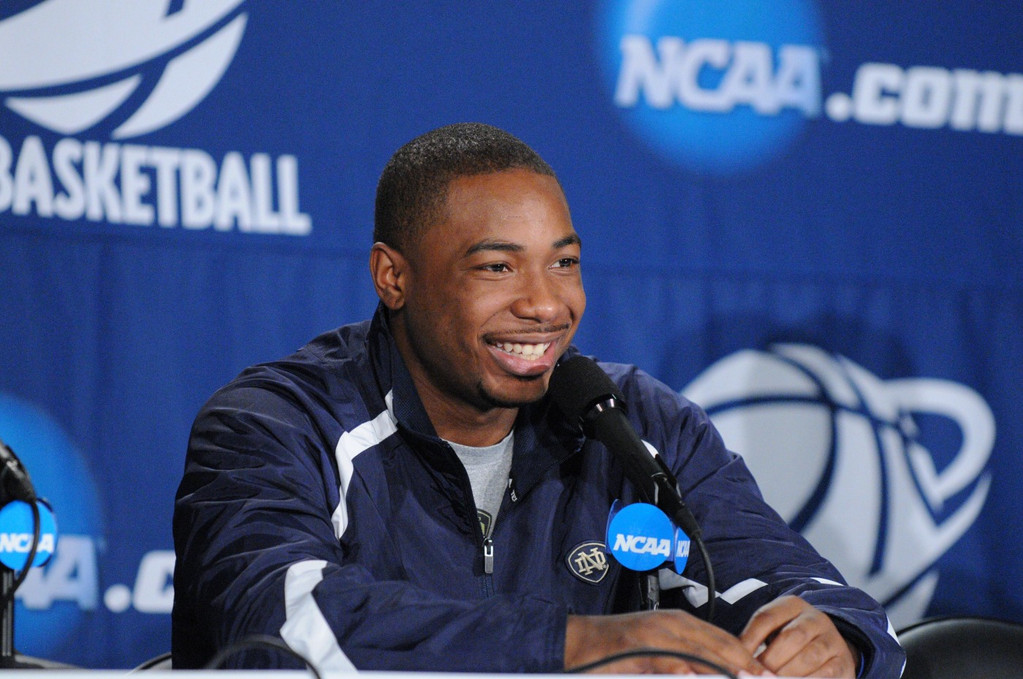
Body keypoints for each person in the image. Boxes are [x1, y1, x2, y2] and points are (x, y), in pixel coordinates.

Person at [172, 122, 904, 677]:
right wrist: (578, 645)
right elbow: (276, 623)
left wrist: (833, 637)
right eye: (497, 266)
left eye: (564, 263)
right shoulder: (274, 422)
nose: (545, 304)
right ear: (392, 277)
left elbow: (815, 590)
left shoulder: (636, 421)